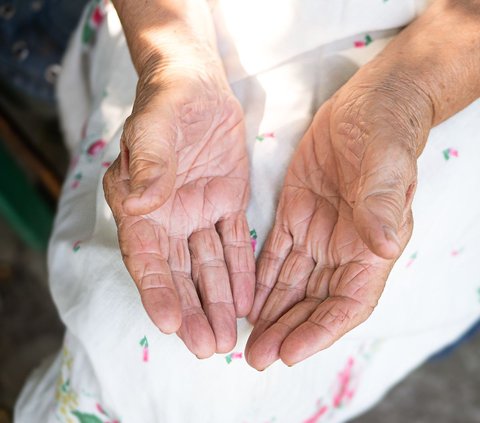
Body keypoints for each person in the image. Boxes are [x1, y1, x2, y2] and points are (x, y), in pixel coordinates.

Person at [15, 0, 480, 421]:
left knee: (240, 351)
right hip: (204, 27)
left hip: (440, 57)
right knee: (157, 333)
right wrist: (171, 61)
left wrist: (405, 99)